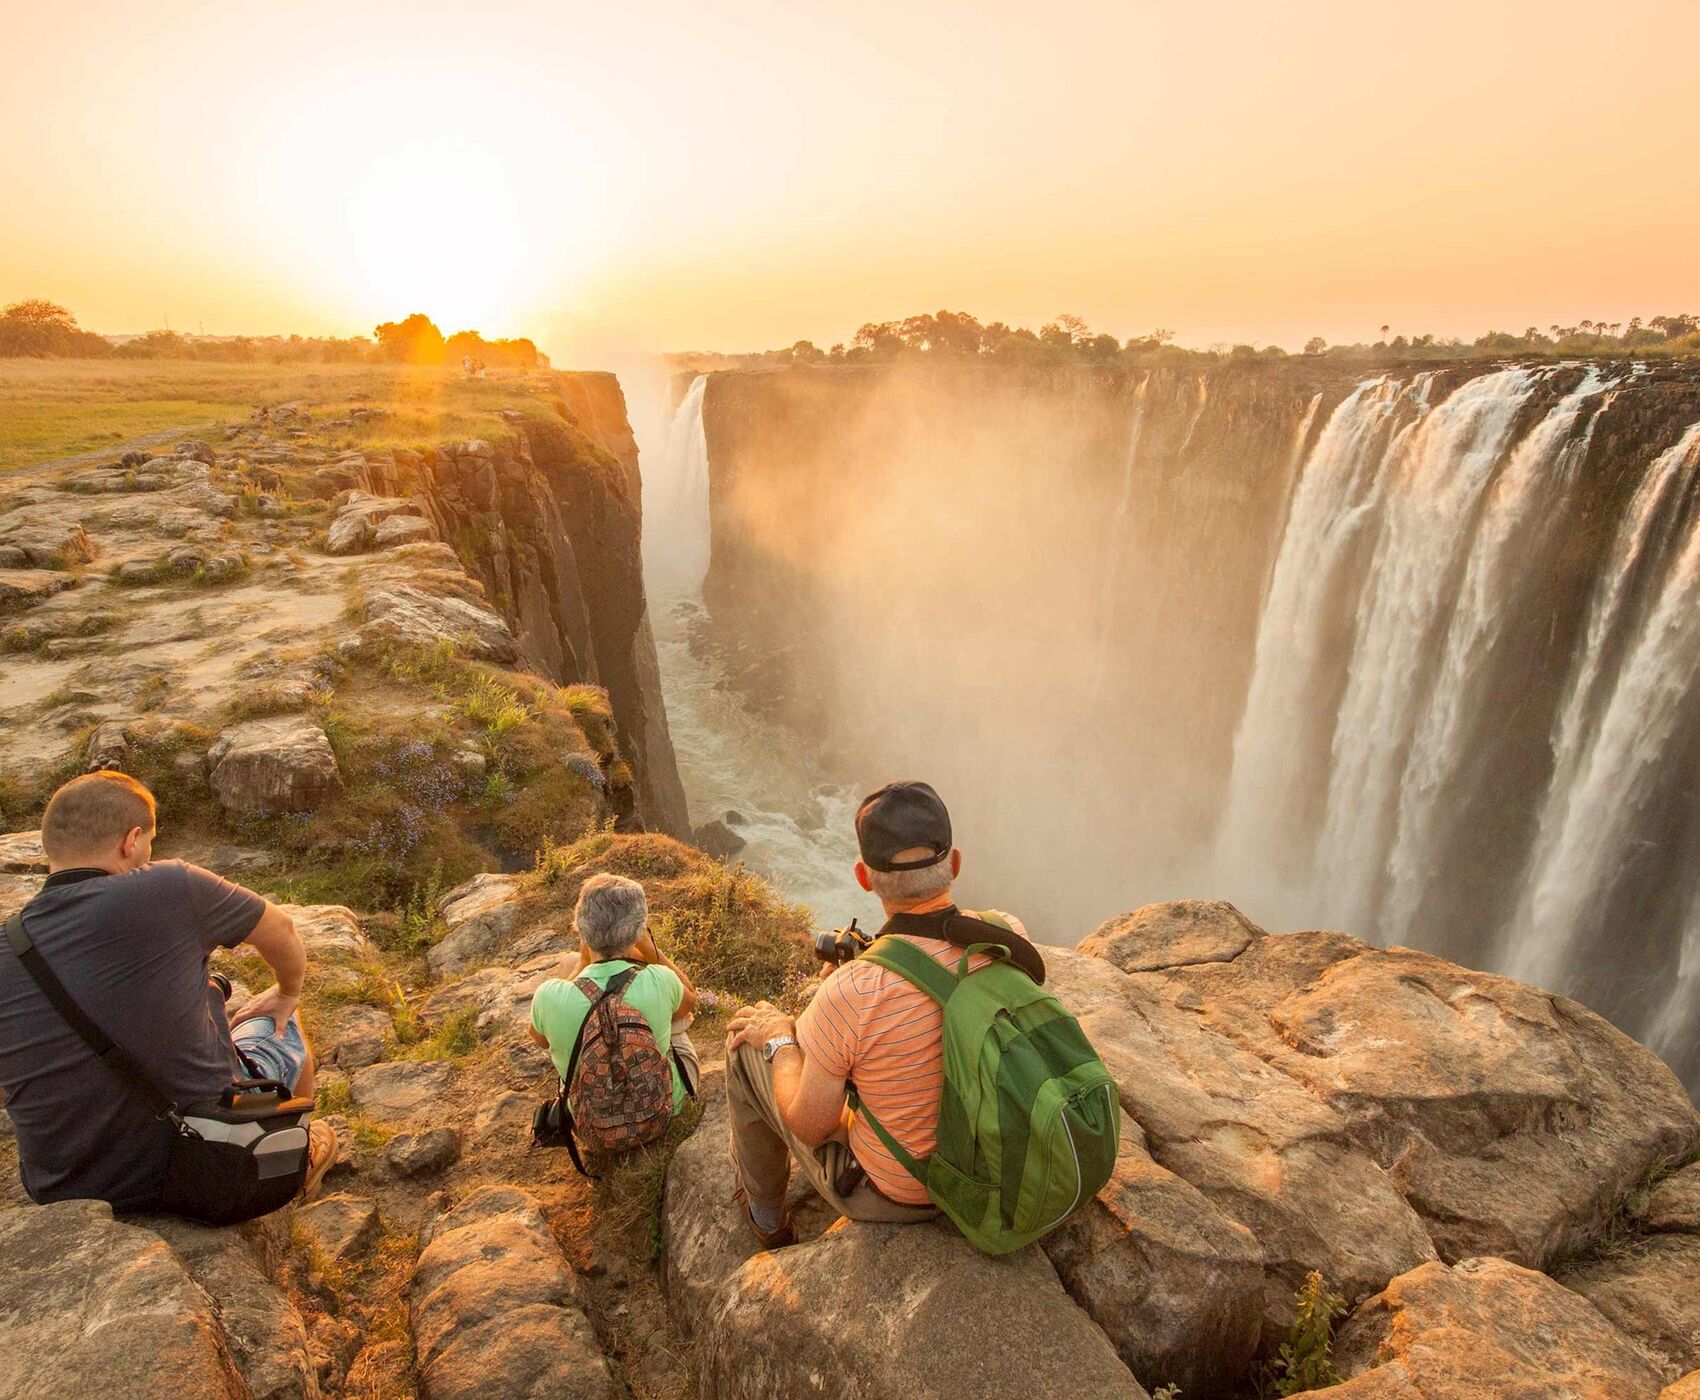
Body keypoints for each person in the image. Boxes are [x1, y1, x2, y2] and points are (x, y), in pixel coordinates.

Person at [724, 780, 1042, 1246]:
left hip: (906, 1193)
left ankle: (767, 1219)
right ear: (954, 863)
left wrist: (779, 1037)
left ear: (863, 876)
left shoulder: (852, 991)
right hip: (998, 1161)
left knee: (742, 1052)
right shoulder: (1006, 934)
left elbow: (812, 1124)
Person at [0, 771, 336, 1212]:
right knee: (277, 1024)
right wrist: (287, 992)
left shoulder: (9, 944)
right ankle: (296, 1157)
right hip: (206, 1162)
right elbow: (281, 930)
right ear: (132, 840)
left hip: (65, 1186)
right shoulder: (169, 885)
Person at [529, 872, 701, 1117]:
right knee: (679, 1018)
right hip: (661, 1109)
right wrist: (650, 949)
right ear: (637, 930)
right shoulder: (660, 979)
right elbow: (690, 999)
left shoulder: (547, 996)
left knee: (568, 964)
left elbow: (541, 1040)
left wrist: (582, 962)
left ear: (581, 928)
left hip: (589, 1123)